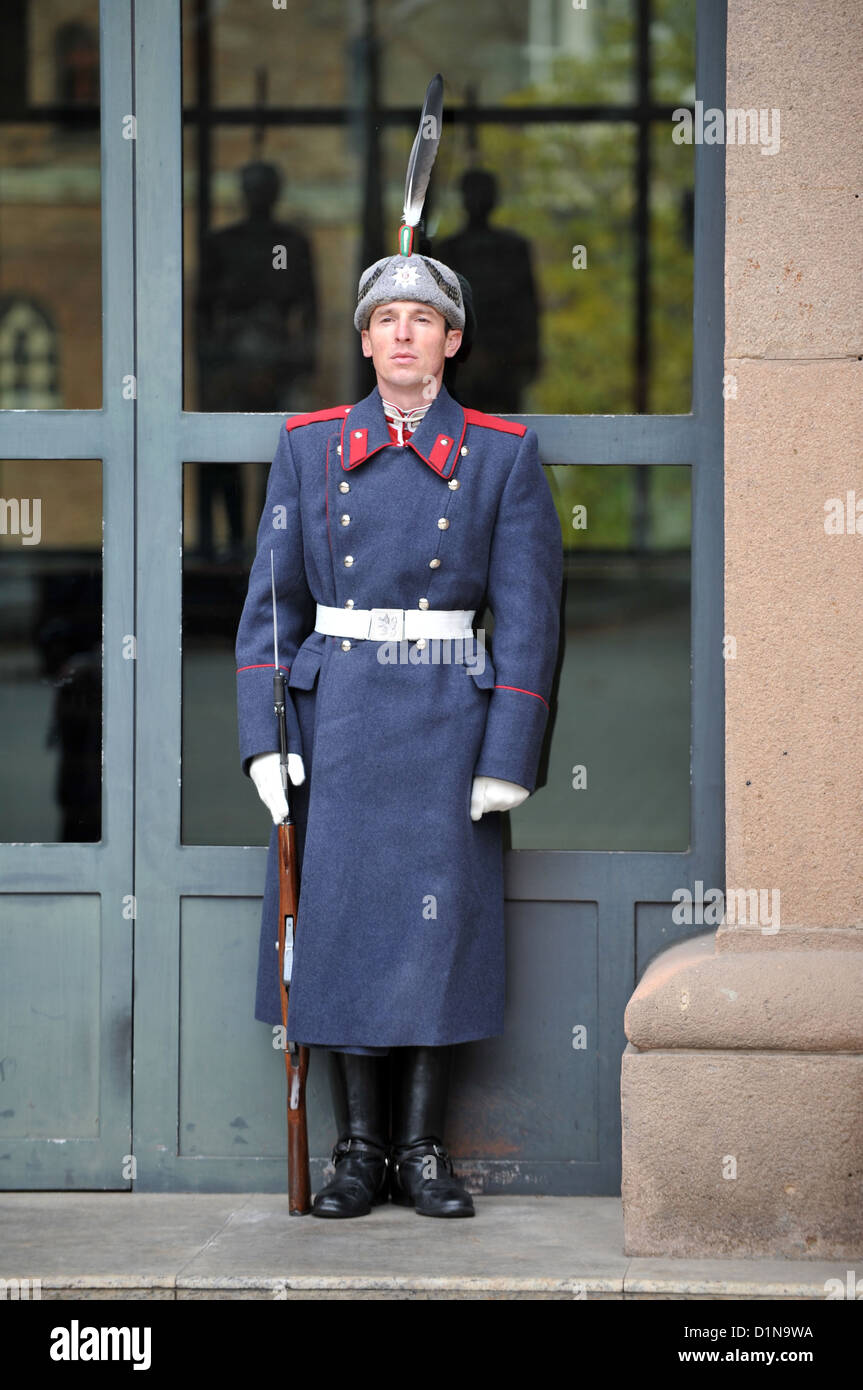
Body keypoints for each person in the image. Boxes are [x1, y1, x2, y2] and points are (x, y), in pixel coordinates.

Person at [235, 249, 562, 1219]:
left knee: (437, 934)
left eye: (423, 318)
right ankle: (355, 1149)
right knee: (334, 929)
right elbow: (268, 608)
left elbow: (530, 620)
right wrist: (265, 738)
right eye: (386, 319)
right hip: (332, 718)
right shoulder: (307, 448)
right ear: (364, 339)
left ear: (451, 342)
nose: (403, 332)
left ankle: (420, 1150)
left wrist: (509, 752)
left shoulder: (502, 454)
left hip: (446, 726)